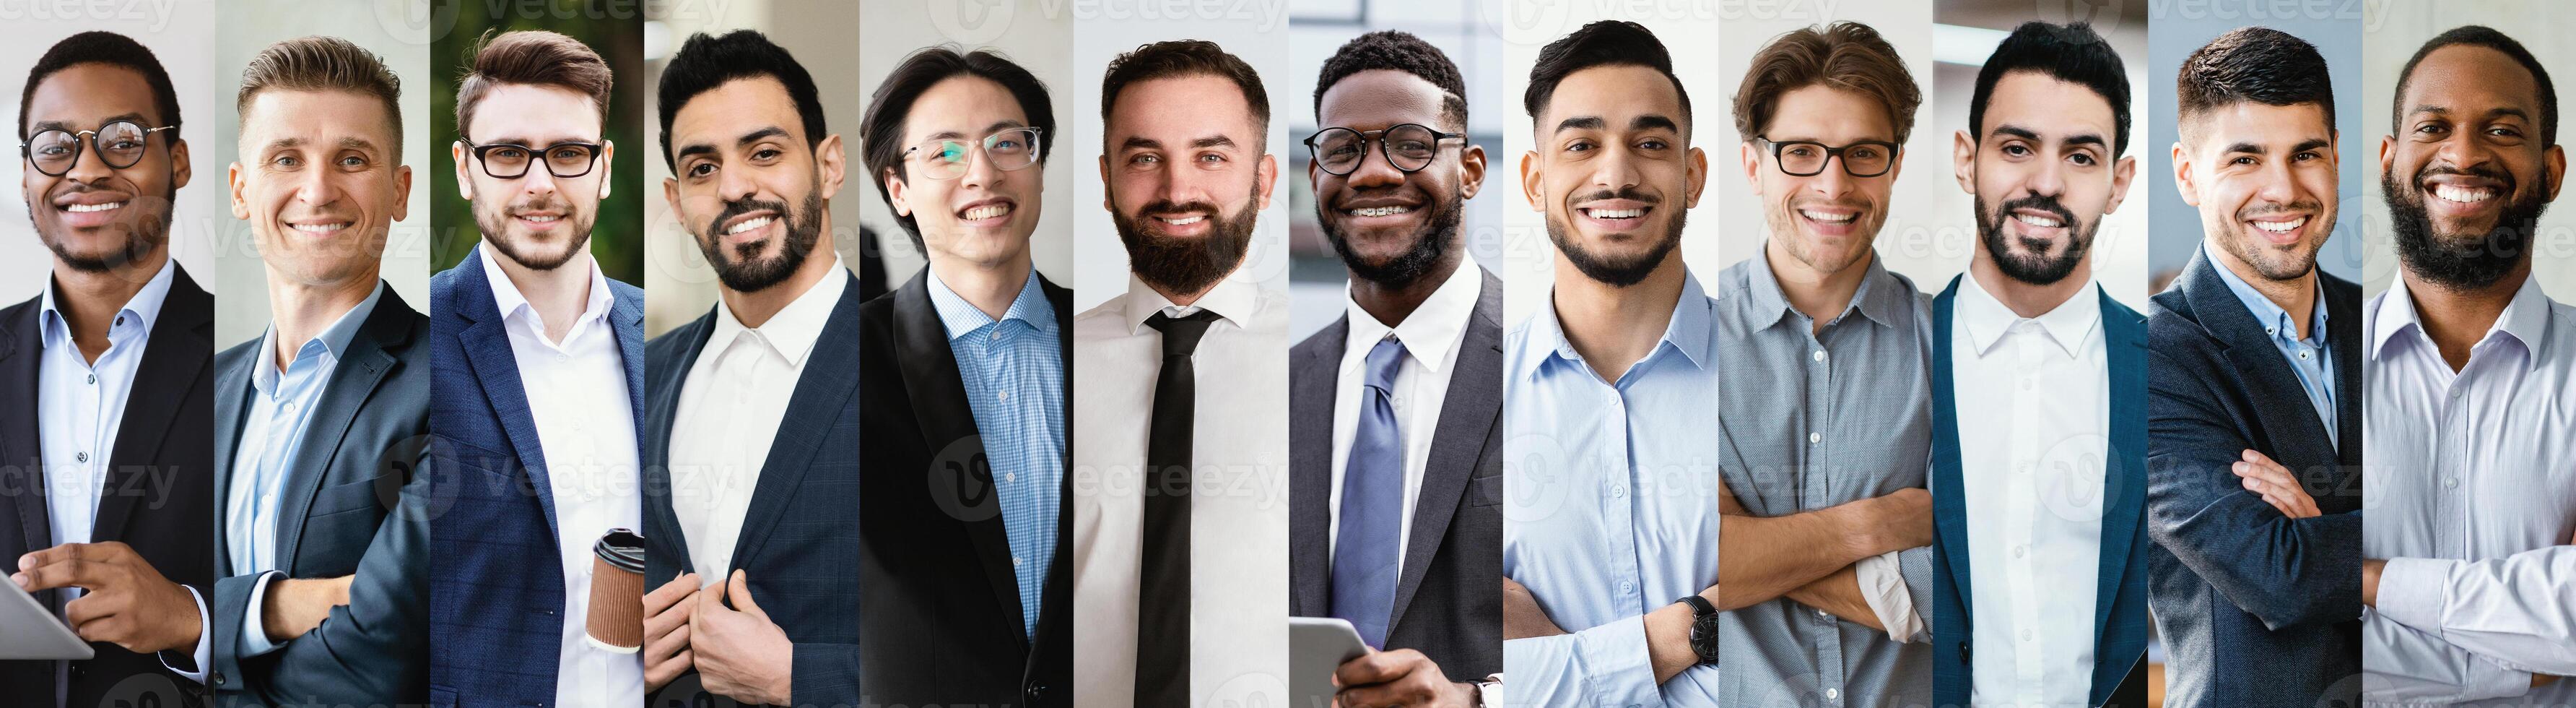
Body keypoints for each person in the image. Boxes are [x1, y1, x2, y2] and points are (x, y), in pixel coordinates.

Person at [1494, 20, 1727, 706]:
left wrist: (1565, 669)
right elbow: (1455, 670)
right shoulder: (1463, 404)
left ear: (1693, 174)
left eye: (1650, 144)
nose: (1617, 174)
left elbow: (1813, 624)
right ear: (1535, 180)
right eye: (1582, 144)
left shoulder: (1776, 379)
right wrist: (1704, 621)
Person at [636, 29, 863, 707]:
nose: (735, 187)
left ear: (828, 166)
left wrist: (800, 681)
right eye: (702, 169)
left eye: (765, 153)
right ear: (678, 202)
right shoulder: (640, 378)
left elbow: (994, 652)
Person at [1928, 20, 2148, 707]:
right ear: (1967, 159)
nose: (2046, 184)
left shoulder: (2170, 368)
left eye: (2082, 158)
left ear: (2119, 183)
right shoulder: (1896, 346)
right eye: (2017, 147)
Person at [425, 29, 645, 708]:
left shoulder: (658, 337)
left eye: (569, 153)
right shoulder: (414, 335)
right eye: (509, 154)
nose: (541, 182)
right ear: (465, 169)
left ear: (604, 168)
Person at [2144, 26, 2364, 708]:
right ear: (2187, 173)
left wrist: (2324, 519)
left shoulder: (2390, 324)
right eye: (2245, 159)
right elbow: (2281, 575)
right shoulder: (2146, 359)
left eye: (2307, 154)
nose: (2284, 189)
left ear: (2336, 157)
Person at [211, 34, 431, 705]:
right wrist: (294, 603)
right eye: (286, 158)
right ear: (242, 190)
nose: (318, 190)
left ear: (399, 191)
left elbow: (391, 650)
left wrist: (205, 631)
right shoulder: (201, 394)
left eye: (352, 159)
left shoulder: (459, 382)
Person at [2359, 25, 2576, 707]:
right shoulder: (2296, 366)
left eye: (2504, 131)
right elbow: (2268, 627)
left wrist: (2356, 579)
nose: (2463, 153)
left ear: (2552, 171)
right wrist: (2526, 647)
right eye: (2434, 126)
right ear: (2390, 159)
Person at [1069, 38, 1289, 708]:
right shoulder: (1044, 368)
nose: (1177, 190)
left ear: (1265, 179)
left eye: (1211, 156)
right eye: (1145, 158)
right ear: (1106, 180)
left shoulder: (1327, 363)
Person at [0, 30, 215, 708]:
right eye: (56, 146)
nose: (85, 170)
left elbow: (329, 593)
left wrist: (190, 618)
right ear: (27, 174)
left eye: (122, 140)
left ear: (177, 161)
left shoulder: (257, 352)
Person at [853, 44, 1071, 707]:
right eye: (945, 152)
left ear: (1037, 166)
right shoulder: (841, 364)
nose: (982, 172)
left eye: (1008, 143)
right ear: (899, 188)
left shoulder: (1117, 345)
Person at [1289, 30, 1502, 707]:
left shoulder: (1553, 357)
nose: (1372, 172)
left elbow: (1625, 618)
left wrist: (1477, 701)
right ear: (1317, 175)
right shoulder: (1278, 387)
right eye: (1342, 149)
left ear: (1469, 169)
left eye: (1410, 144)